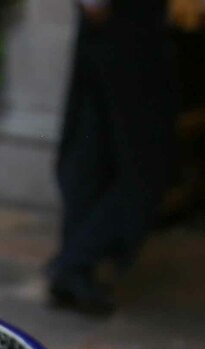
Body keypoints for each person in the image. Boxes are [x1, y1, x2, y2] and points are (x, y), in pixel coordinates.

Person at [46, 0, 178, 316]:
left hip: (115, 35)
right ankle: (74, 263)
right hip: (126, 35)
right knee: (144, 166)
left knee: (92, 155)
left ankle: (75, 272)